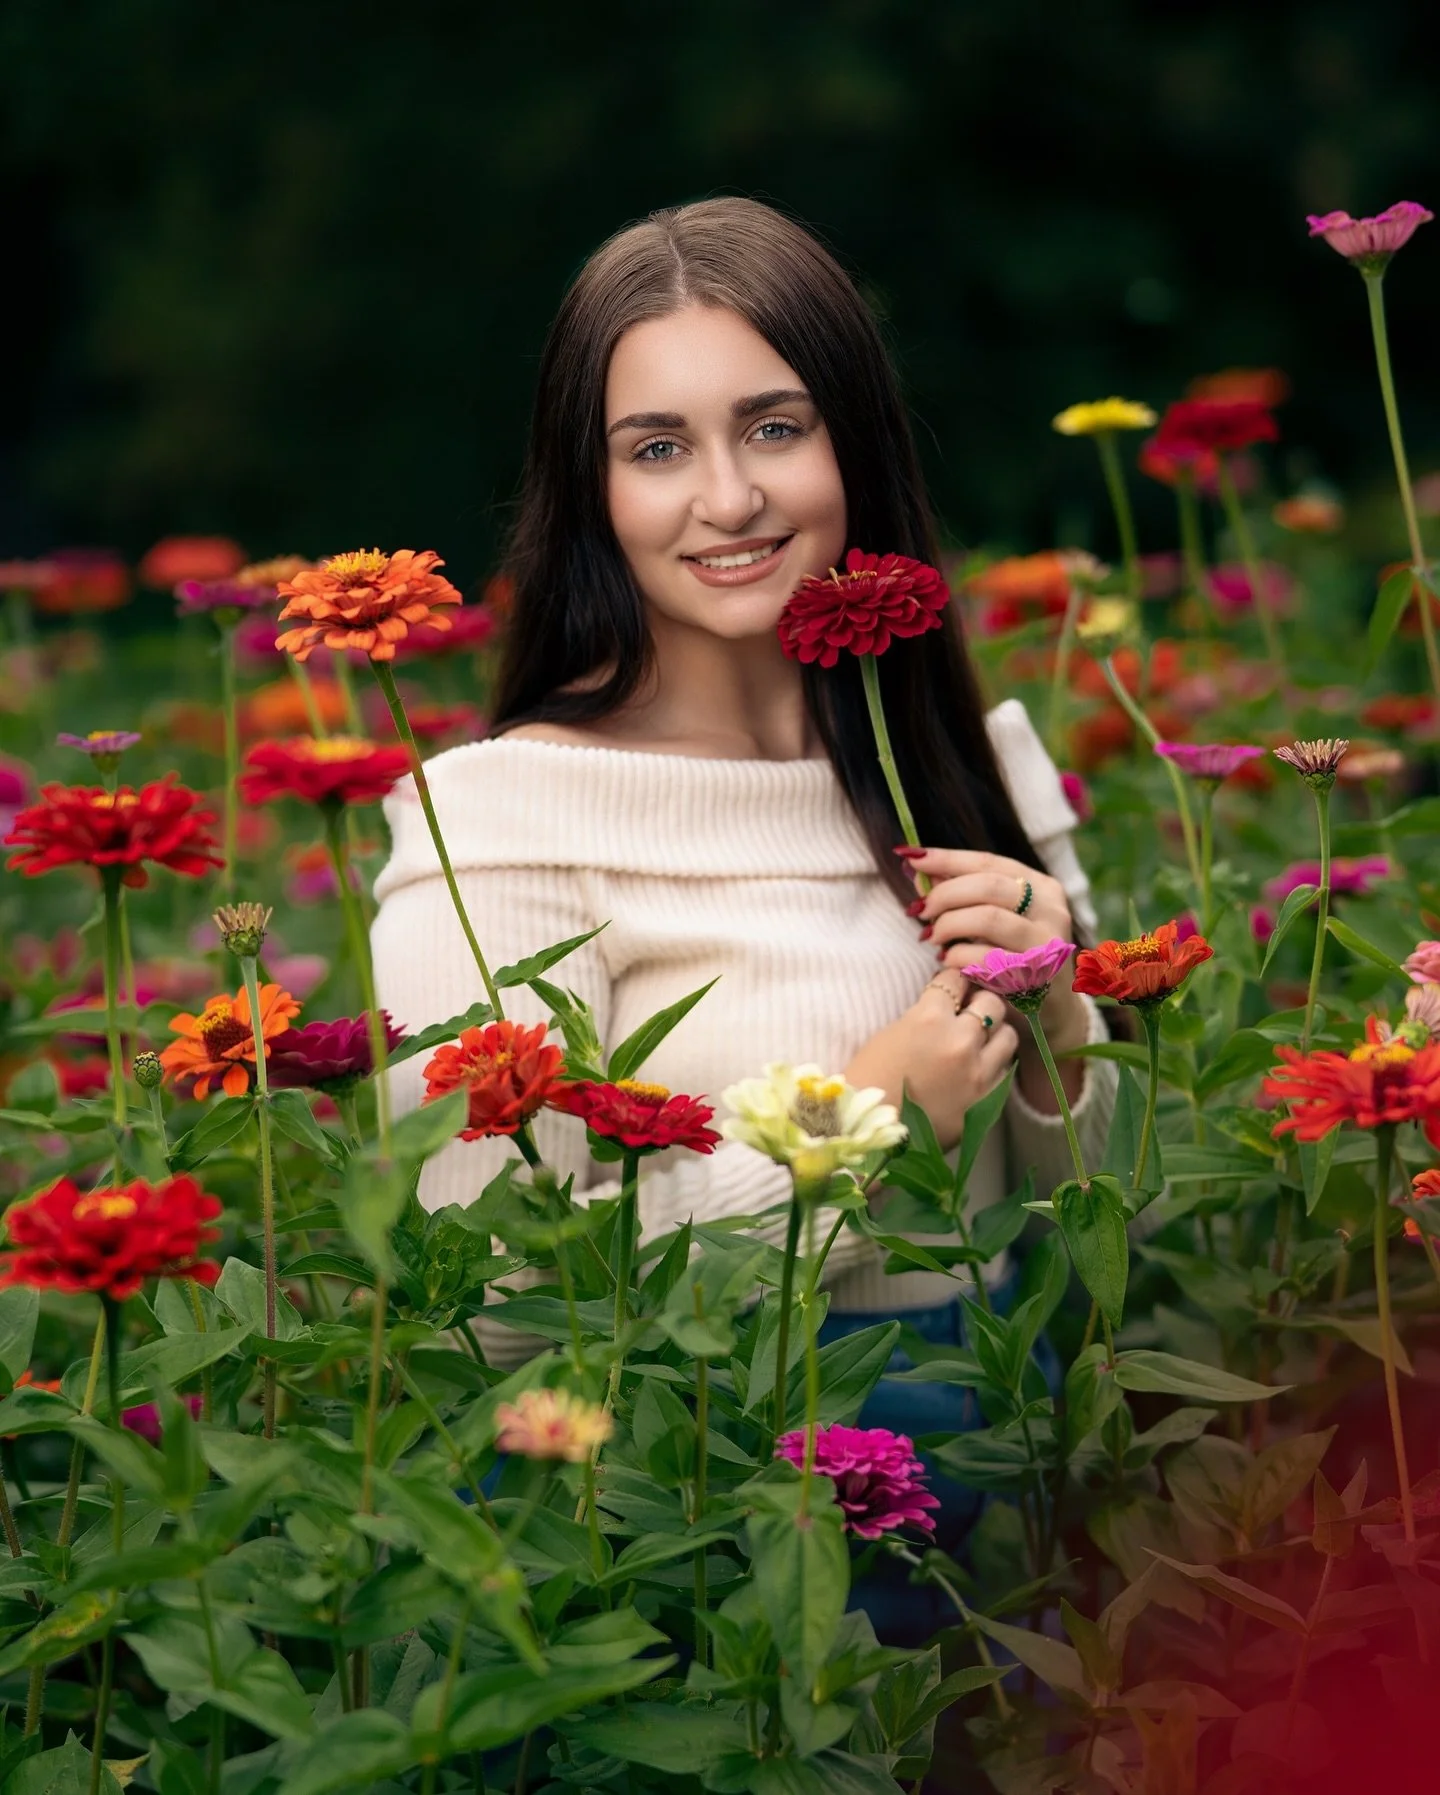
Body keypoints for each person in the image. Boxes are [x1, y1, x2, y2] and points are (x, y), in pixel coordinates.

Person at [371, 198, 1119, 1561]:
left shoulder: (967, 762)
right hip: (701, 1526)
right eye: (658, 448)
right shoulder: (494, 819)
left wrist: (1060, 1019)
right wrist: (863, 1127)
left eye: (776, 426)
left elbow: (1099, 1228)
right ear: (592, 490)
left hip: (1015, 1497)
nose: (729, 497)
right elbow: (487, 1290)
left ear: (855, 439)